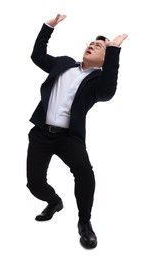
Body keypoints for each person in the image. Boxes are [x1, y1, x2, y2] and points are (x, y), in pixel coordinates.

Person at [26, 14, 128, 249]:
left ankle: (84, 223)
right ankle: (54, 202)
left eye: (100, 46)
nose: (92, 45)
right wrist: (48, 27)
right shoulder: (63, 63)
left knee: (84, 173)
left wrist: (114, 50)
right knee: (34, 184)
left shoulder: (98, 80)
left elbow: (108, 92)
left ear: (104, 59)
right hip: (42, 133)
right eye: (92, 42)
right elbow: (37, 56)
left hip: (68, 137)